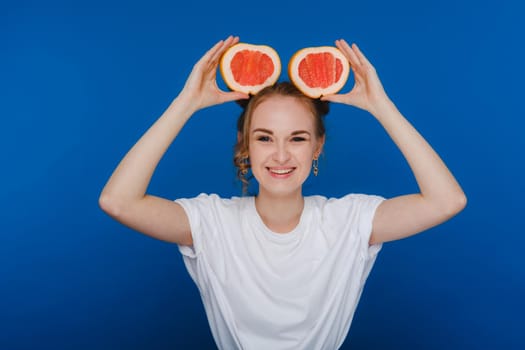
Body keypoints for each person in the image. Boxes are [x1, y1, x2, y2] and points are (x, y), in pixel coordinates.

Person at [99, 35, 466, 349]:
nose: (280, 155)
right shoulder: (210, 222)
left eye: (297, 138)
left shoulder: (349, 221)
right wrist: (186, 103)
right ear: (245, 146)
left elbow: (447, 201)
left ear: (317, 146)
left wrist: (381, 107)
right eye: (264, 138)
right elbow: (118, 201)